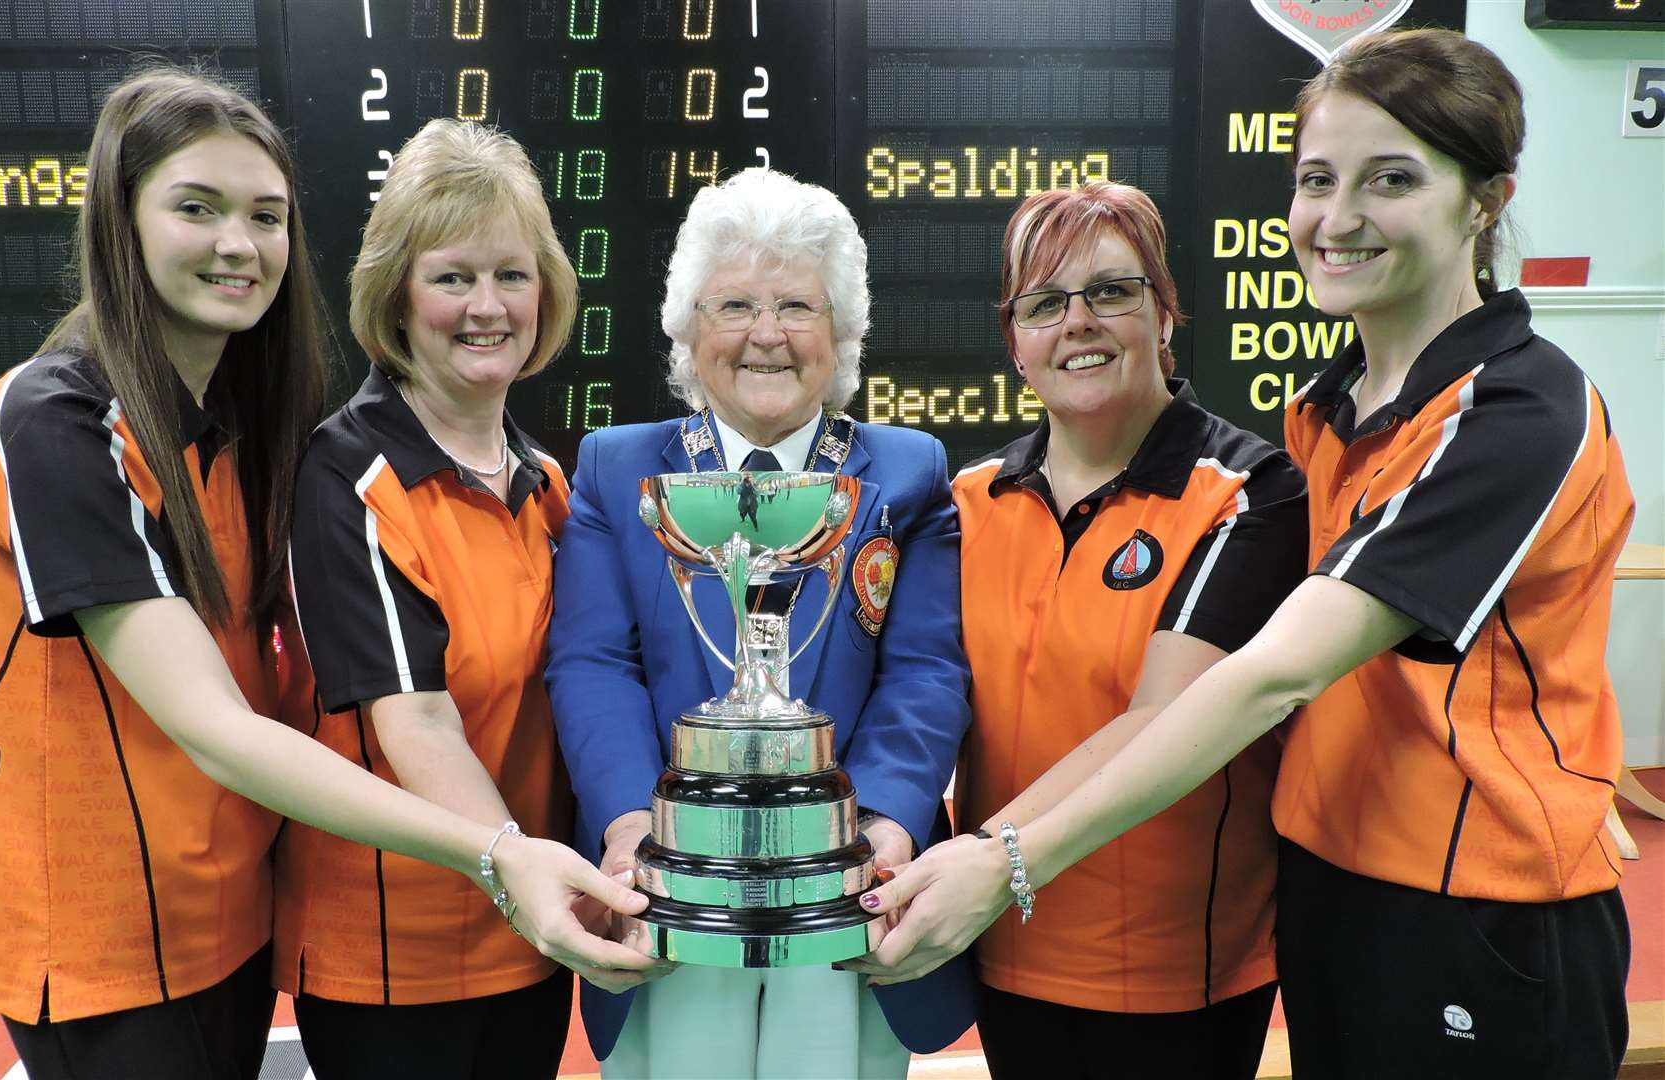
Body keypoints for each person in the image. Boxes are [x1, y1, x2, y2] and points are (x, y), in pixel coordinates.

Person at [854, 30, 1634, 1080]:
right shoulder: (1329, 408)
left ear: (1484, 200)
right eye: (1317, 178)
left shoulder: (1515, 407)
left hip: (1477, 906)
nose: (1338, 216)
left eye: (1390, 178)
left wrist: (1001, 858)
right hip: (1325, 888)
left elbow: (1273, 675)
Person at [0, 70, 647, 1080]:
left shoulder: (244, 427)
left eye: (265, 215)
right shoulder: (55, 424)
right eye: (197, 208)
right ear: (117, 216)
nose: (239, 243)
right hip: (106, 945)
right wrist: (503, 854)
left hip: (231, 922)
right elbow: (220, 728)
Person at [847, 182, 1307, 1078]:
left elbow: (1167, 720)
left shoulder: (1248, 493)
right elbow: (909, 696)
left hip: (1177, 978)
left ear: (1165, 315)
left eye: (1112, 292)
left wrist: (986, 857)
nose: (1079, 323)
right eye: (1046, 304)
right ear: (1015, 346)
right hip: (998, 948)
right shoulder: (965, 503)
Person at [545, 167, 975, 1079]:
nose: (767, 335)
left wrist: (882, 836)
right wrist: (633, 832)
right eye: (735, 304)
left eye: (797, 306)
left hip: (849, 895)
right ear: (690, 328)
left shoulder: (909, 472)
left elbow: (926, 674)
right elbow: (592, 666)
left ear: (842, 332)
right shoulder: (617, 472)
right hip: (670, 893)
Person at [273, 118, 657, 1079]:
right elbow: (419, 726)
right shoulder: (349, 475)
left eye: (512, 275)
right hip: (397, 963)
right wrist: (523, 871)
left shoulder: (549, 483)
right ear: (397, 297)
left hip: (531, 933)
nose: (487, 306)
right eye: (453, 277)